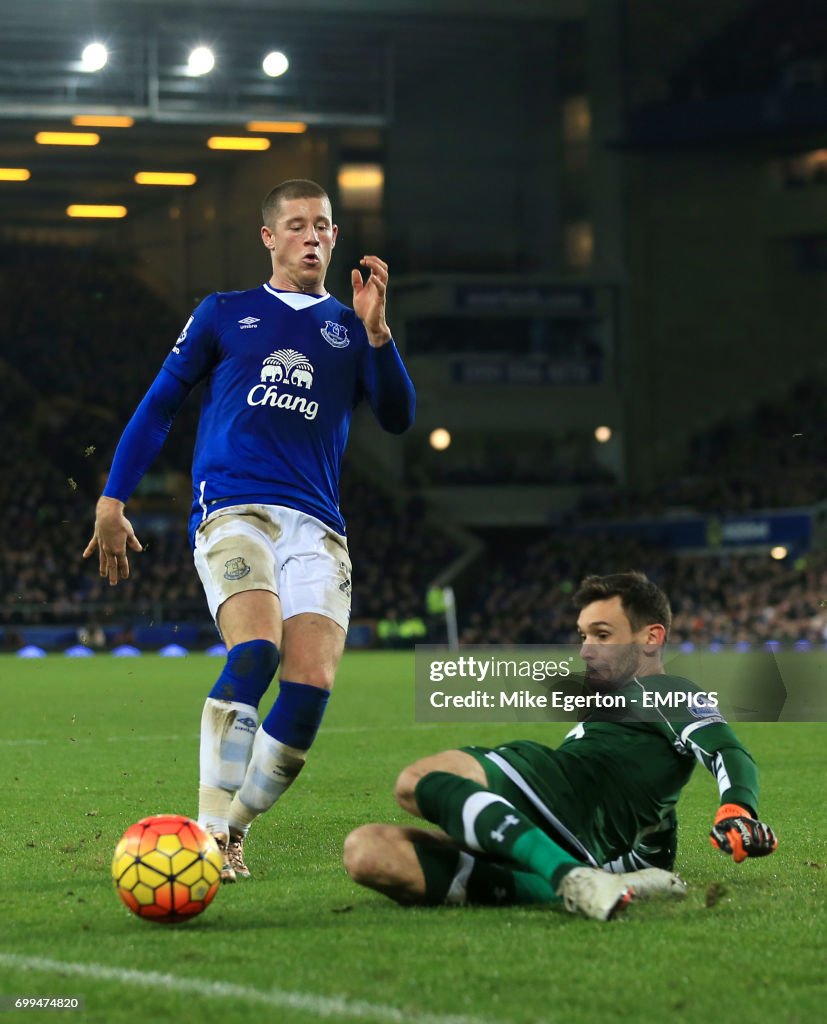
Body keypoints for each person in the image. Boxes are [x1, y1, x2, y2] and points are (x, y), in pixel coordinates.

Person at [84, 178, 415, 882]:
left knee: (310, 684)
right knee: (257, 648)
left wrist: (379, 334)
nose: (312, 237)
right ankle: (205, 830)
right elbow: (159, 405)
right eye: (296, 225)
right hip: (235, 507)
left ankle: (234, 830)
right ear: (268, 237)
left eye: (322, 225)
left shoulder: (353, 327)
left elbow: (397, 416)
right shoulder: (225, 314)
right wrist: (113, 498)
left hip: (317, 525)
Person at [343, 571, 777, 921]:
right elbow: (656, 844)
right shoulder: (635, 751)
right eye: (583, 635)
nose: (586, 650)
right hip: (564, 837)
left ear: (651, 638)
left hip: (552, 788)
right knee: (367, 852)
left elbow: (726, 752)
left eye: (602, 635)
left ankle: (567, 876)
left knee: (415, 780)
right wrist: (645, 874)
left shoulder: (663, 689)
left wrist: (737, 808)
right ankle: (563, 881)